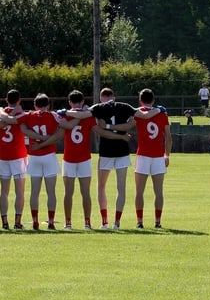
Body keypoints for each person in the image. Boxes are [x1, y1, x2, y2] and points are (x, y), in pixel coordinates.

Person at [89, 88, 160, 229]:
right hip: (122, 151)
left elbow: (100, 130)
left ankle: (104, 222)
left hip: (106, 151)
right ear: (113, 97)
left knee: (101, 186)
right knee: (121, 188)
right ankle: (117, 222)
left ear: (101, 98)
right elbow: (139, 119)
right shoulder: (125, 106)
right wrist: (159, 110)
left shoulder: (98, 108)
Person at [19, 93, 63, 229]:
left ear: (35, 105)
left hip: (35, 157)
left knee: (34, 192)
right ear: (48, 105)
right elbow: (60, 133)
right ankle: (50, 222)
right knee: (51, 192)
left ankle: (35, 221)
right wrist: (45, 140)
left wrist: (38, 140)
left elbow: (23, 128)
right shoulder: (53, 115)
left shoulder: (29, 115)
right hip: (49, 156)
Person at [56, 90, 97, 230]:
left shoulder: (65, 115)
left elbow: (61, 132)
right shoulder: (88, 116)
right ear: (83, 101)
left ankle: (68, 223)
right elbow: (100, 128)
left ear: (69, 102)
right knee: (85, 192)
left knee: (68, 192)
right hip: (84, 158)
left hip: (69, 158)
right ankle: (87, 223)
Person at [133, 89, 171, 229]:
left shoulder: (138, 113)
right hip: (158, 156)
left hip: (143, 155)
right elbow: (168, 136)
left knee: (139, 191)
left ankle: (140, 221)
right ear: (153, 100)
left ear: (140, 100)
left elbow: (129, 123)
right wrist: (167, 154)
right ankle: (157, 221)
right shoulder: (162, 114)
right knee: (159, 191)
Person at [0, 90, 28, 230]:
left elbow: (1, 122)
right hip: (18, 156)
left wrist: (2, 110)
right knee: (19, 192)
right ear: (19, 100)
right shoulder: (21, 113)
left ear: (6, 99)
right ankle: (17, 221)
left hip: (4, 156)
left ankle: (4, 222)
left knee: (4, 191)